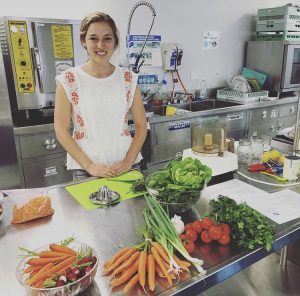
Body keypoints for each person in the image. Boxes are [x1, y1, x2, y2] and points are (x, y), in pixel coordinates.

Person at [54, 12, 147, 179]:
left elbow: (141, 126)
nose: (100, 45)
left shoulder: (129, 79)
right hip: (86, 169)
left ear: (115, 42)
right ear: (84, 41)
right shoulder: (68, 80)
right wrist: (89, 165)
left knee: (135, 207)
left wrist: (128, 161)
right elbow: (61, 129)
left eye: (107, 38)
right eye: (93, 38)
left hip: (126, 165)